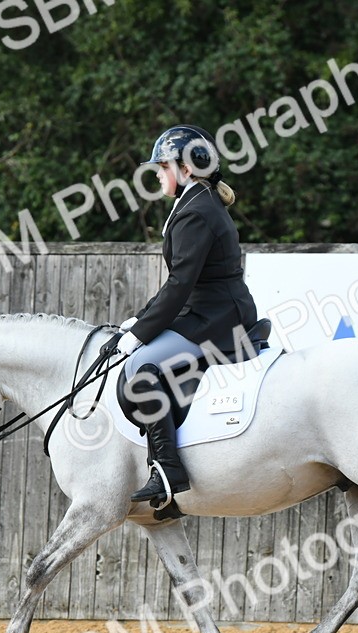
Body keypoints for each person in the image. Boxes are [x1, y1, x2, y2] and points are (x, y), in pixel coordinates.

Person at [116, 125, 259, 507]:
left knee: (140, 368)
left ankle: (167, 468)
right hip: (207, 309)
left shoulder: (197, 211)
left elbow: (180, 283)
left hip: (217, 316)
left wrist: (141, 335)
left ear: (187, 168)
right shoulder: (197, 202)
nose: (158, 174)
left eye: (163, 166)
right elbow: (178, 282)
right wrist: (140, 318)